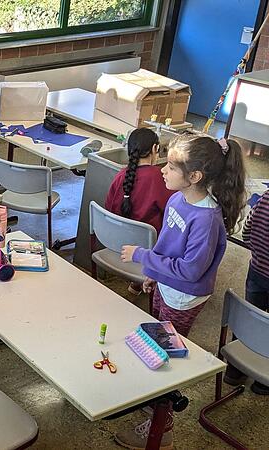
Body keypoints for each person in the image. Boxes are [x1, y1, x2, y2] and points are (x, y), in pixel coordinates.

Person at [117, 134, 246, 449]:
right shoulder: (177, 199)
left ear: (195, 177)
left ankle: (162, 424)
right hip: (166, 285)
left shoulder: (206, 219)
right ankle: (150, 397)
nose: (163, 170)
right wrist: (153, 274)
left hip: (184, 297)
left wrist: (142, 257)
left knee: (168, 355)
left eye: (172, 167)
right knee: (155, 338)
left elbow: (190, 270)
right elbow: (167, 245)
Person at [105, 128, 174, 294]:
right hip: (146, 247)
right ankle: (146, 284)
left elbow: (108, 208)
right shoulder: (159, 178)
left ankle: (135, 286)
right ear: (155, 149)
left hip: (116, 241)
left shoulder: (122, 175)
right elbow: (173, 213)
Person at [222, 187, 269, 394]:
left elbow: (247, 232)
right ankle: (263, 381)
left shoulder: (266, 198)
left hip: (258, 270)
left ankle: (235, 369)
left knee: (251, 315)